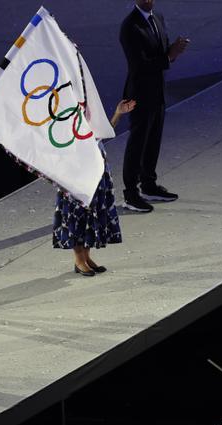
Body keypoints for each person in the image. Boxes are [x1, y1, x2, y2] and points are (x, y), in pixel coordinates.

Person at [119, 0, 189, 212]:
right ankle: (131, 194)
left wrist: (172, 52)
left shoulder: (157, 18)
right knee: (138, 142)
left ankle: (148, 185)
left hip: (157, 91)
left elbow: (159, 54)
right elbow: (140, 65)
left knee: (153, 139)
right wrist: (169, 55)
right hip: (139, 94)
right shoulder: (130, 27)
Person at [53, 100, 131, 276]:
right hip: (76, 177)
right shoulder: (64, 121)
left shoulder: (87, 117)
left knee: (91, 217)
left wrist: (118, 113)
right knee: (76, 218)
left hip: (97, 174)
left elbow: (103, 133)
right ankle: (79, 260)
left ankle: (86, 257)